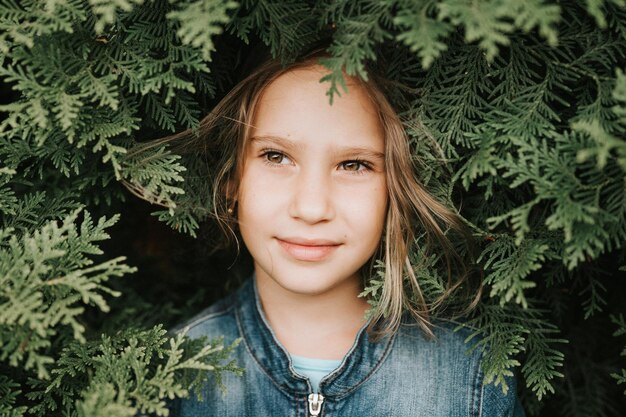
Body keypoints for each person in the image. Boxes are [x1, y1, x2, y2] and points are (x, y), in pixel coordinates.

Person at [166, 48, 526, 416]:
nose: (310, 208)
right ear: (232, 181)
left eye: (353, 165)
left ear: (396, 190)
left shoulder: (468, 376)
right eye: (276, 156)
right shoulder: (178, 370)